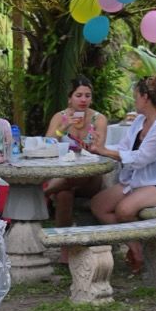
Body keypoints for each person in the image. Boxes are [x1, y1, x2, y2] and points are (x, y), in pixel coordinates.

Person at [88, 73, 156, 271]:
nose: (134, 101)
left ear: (145, 98)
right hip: (138, 180)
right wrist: (99, 145)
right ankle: (137, 249)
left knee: (124, 210)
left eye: (135, 97)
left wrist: (105, 151)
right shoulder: (139, 120)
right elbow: (124, 148)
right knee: (99, 205)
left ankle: (144, 254)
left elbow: (141, 158)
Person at [44, 76, 108, 226]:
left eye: (87, 96)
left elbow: (100, 150)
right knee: (64, 194)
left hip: (90, 177)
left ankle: (43, 194)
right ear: (69, 98)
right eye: (78, 95)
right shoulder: (60, 117)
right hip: (63, 174)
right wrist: (63, 128)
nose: (83, 100)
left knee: (82, 174)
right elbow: (47, 144)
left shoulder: (98, 119)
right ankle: (66, 246)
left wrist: (95, 146)